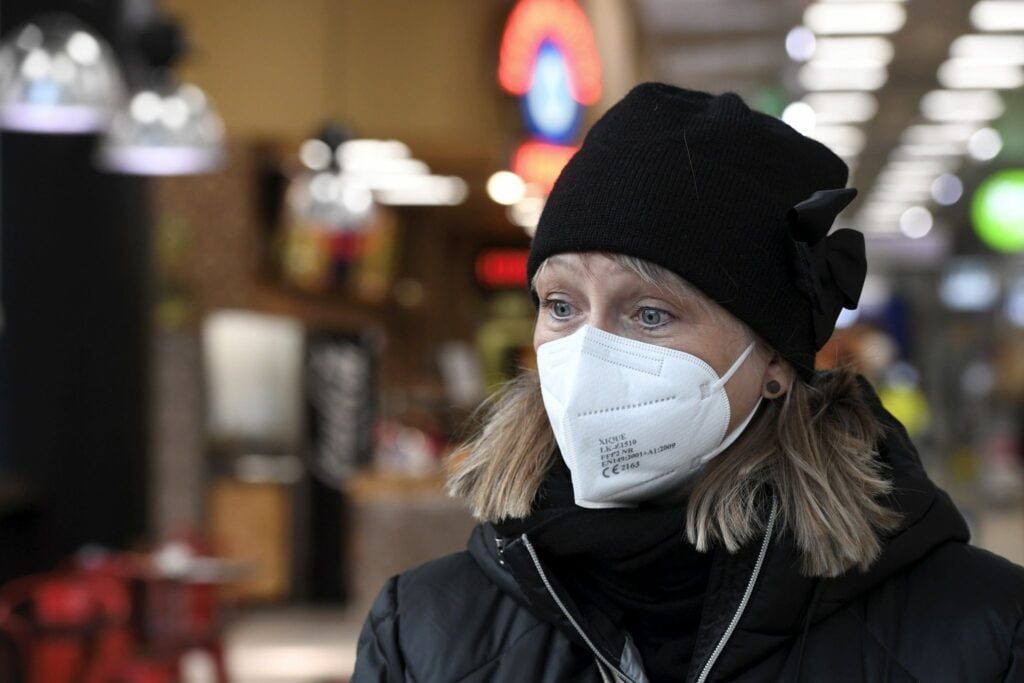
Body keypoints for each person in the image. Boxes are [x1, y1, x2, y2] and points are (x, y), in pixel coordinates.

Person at [352, 83, 1024, 682]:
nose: (587, 353)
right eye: (561, 305)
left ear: (773, 359)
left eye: (650, 313)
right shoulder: (421, 633)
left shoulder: (986, 634)